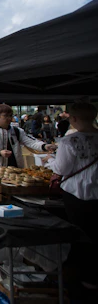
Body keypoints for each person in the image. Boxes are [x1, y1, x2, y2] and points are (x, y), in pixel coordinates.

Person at [49, 102, 98, 295]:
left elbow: (61, 169)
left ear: (75, 119)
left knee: (79, 236)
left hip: (77, 194)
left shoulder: (70, 141)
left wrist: (50, 160)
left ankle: (79, 277)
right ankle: (91, 277)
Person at [0, 104, 56, 172]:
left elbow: (31, 142)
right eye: (5, 116)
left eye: (10, 116)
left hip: (15, 169)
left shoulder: (17, 131)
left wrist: (44, 146)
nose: (9, 118)